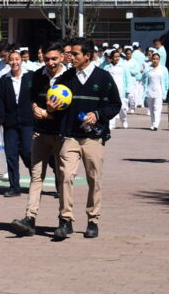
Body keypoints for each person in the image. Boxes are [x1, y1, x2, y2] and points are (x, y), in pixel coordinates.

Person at [51, 37, 121, 240]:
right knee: (65, 176)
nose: (70, 57)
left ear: (87, 56)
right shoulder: (65, 78)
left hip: (93, 138)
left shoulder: (103, 77)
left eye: (75, 54)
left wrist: (98, 114)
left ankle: (93, 220)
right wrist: (52, 106)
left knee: (94, 179)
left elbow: (115, 105)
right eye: (69, 53)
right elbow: (54, 102)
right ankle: (65, 220)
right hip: (70, 137)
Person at [11, 42, 66, 236]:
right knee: (36, 176)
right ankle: (30, 217)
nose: (50, 63)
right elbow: (32, 97)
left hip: (62, 135)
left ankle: (64, 220)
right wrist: (35, 107)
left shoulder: (69, 77)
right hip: (40, 133)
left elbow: (71, 108)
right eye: (47, 59)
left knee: (63, 177)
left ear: (62, 57)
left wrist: (49, 114)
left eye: (54, 59)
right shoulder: (37, 76)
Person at [0, 50, 34, 197]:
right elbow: (0, 102)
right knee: (11, 154)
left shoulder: (30, 76)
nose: (14, 62)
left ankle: (36, 182)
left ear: (21, 60)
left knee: (27, 152)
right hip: (10, 123)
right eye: (11, 60)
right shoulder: (4, 80)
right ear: (8, 62)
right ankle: (14, 187)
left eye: (17, 59)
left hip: (28, 122)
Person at [101, 49, 130, 129]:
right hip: (110, 90)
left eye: (118, 56)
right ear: (111, 57)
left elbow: (127, 78)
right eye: (115, 57)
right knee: (111, 107)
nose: (117, 58)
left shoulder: (123, 66)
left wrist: (128, 89)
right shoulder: (107, 67)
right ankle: (111, 124)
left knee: (123, 108)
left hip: (121, 90)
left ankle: (124, 120)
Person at [142, 51, 169, 131]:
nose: (155, 60)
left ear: (159, 60)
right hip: (149, 91)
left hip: (159, 91)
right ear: (151, 59)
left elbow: (167, 81)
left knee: (157, 108)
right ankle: (152, 123)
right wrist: (144, 73)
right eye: (153, 59)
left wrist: (166, 91)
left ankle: (156, 124)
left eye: (157, 59)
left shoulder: (163, 69)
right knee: (151, 109)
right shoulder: (148, 68)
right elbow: (142, 78)